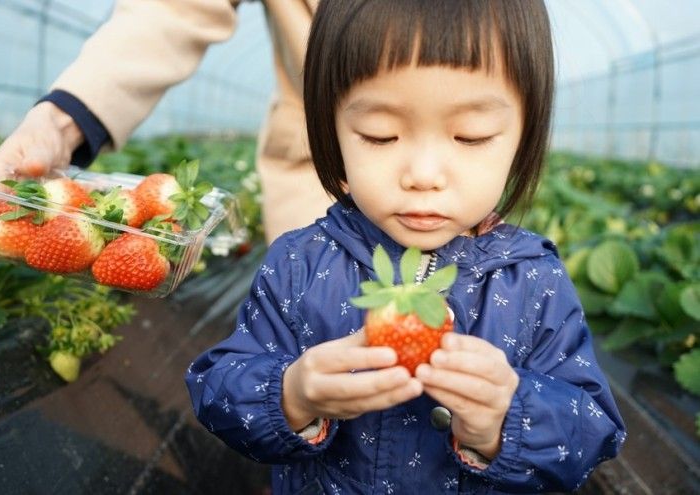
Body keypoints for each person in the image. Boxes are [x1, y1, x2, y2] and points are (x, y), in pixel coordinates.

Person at [185, 0, 626, 493]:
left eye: (471, 136)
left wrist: (508, 417)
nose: (422, 176)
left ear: (523, 137)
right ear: (331, 131)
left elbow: (593, 431)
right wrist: (292, 395)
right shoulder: (298, 263)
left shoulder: (533, 279)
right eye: (380, 134)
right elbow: (217, 385)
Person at [0, 0, 331, 243]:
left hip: (317, 168)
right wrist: (60, 121)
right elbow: (171, 10)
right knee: (319, 329)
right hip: (320, 183)